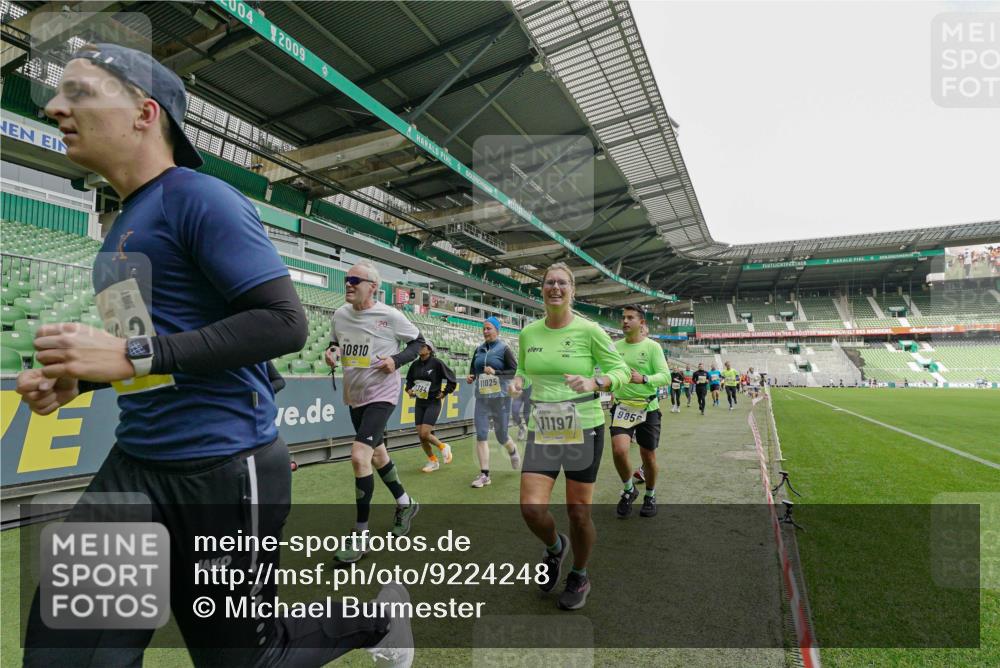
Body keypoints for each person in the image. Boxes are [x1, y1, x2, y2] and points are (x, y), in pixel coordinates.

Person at [18, 44, 411, 667]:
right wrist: (83, 381)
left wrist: (129, 354)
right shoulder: (122, 224)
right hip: (135, 465)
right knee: (63, 654)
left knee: (244, 661)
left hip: (224, 468)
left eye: (81, 92)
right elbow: (156, 352)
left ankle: (377, 618)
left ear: (146, 114)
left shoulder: (202, 198)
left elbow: (284, 322)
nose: (54, 105)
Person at [510, 263, 631, 610]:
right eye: (550, 283)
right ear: (542, 289)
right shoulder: (528, 333)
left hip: (584, 425)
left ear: (572, 291)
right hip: (544, 425)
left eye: (562, 283)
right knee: (531, 509)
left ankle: (579, 573)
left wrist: (597, 382)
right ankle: (554, 548)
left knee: (579, 512)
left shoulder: (590, 330)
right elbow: (522, 367)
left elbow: (619, 369)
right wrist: (519, 380)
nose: (556, 288)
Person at [326, 259, 423, 564]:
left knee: (359, 456)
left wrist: (397, 360)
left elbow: (419, 343)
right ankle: (406, 503)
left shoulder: (390, 315)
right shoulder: (339, 315)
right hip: (354, 395)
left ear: (373, 287)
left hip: (383, 393)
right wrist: (331, 352)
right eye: (347, 279)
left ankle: (361, 535)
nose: (349, 284)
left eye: (356, 279)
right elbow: (333, 343)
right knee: (378, 455)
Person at [610, 305, 670, 519]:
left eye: (630, 318)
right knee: (619, 450)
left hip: (648, 408)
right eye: (623, 317)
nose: (625, 321)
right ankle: (628, 490)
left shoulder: (653, 347)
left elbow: (665, 376)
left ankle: (650, 495)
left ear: (641, 322)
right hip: (622, 407)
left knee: (648, 455)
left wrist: (644, 379)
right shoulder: (614, 347)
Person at [466, 316, 521, 488]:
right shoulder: (479, 349)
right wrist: (471, 377)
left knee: (501, 435)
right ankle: (484, 475)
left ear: (497, 330)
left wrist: (496, 372)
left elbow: (514, 371)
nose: (485, 331)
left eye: (489, 328)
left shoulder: (504, 349)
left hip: (500, 399)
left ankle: (512, 450)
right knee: (481, 434)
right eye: (484, 328)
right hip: (482, 398)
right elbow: (473, 370)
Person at [405, 341, 456, 472]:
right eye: (420, 346)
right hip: (420, 402)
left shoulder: (437, 363)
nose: (420, 348)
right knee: (421, 436)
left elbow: (452, 379)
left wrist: (445, 392)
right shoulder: (415, 365)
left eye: (423, 346)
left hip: (433, 402)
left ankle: (443, 447)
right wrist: (409, 389)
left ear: (429, 349)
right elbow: (409, 381)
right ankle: (433, 461)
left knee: (425, 433)